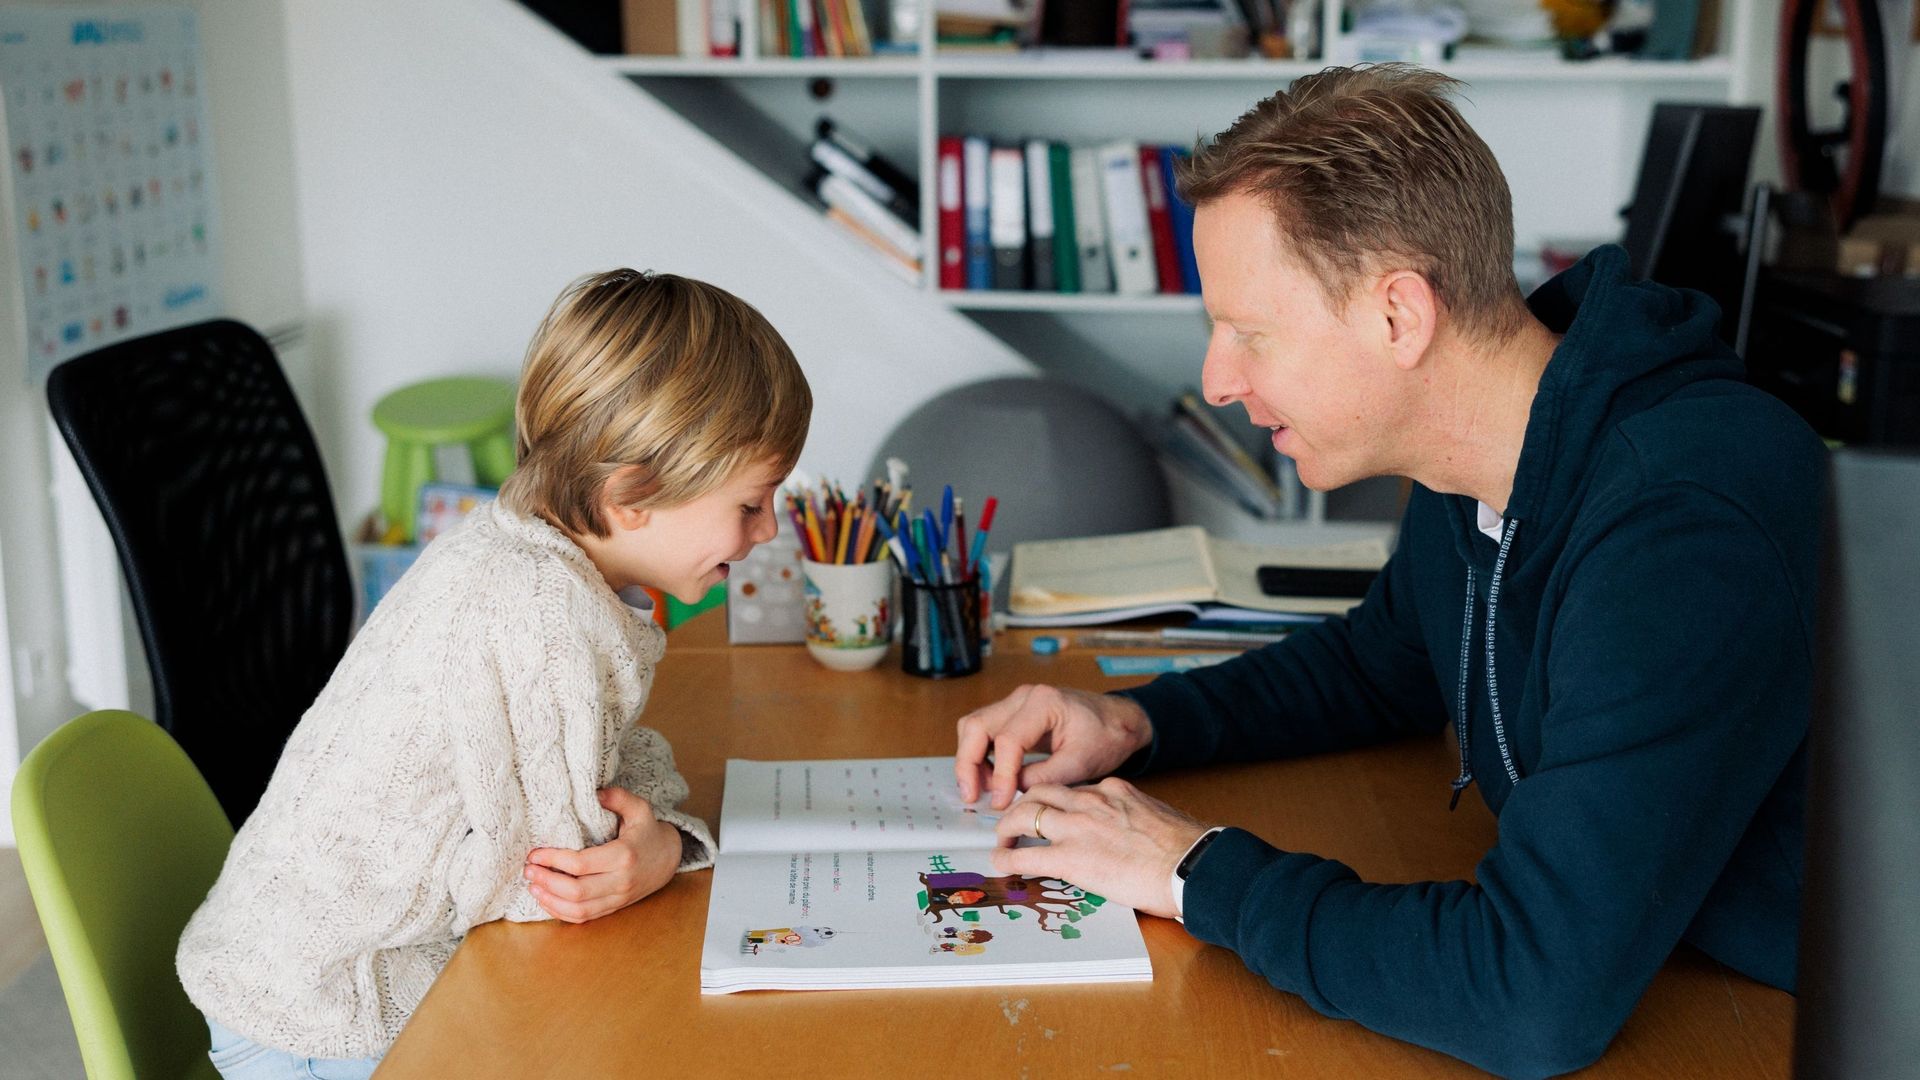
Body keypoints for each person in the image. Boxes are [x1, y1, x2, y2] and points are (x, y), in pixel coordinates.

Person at [953, 65, 1823, 1078]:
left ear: (1399, 317)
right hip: (1678, 966)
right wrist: (1143, 724)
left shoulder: (1680, 519)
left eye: (1251, 333)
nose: (1217, 381)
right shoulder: (1489, 452)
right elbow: (1381, 664)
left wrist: (1189, 869)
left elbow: (1530, 993)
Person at [176, 269, 812, 1078]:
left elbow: (607, 759)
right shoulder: (546, 611)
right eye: (752, 503)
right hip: (322, 1012)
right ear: (631, 496)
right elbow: (558, 881)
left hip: (294, 973)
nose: (768, 529)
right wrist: (660, 850)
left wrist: (639, 811)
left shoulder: (527, 549)